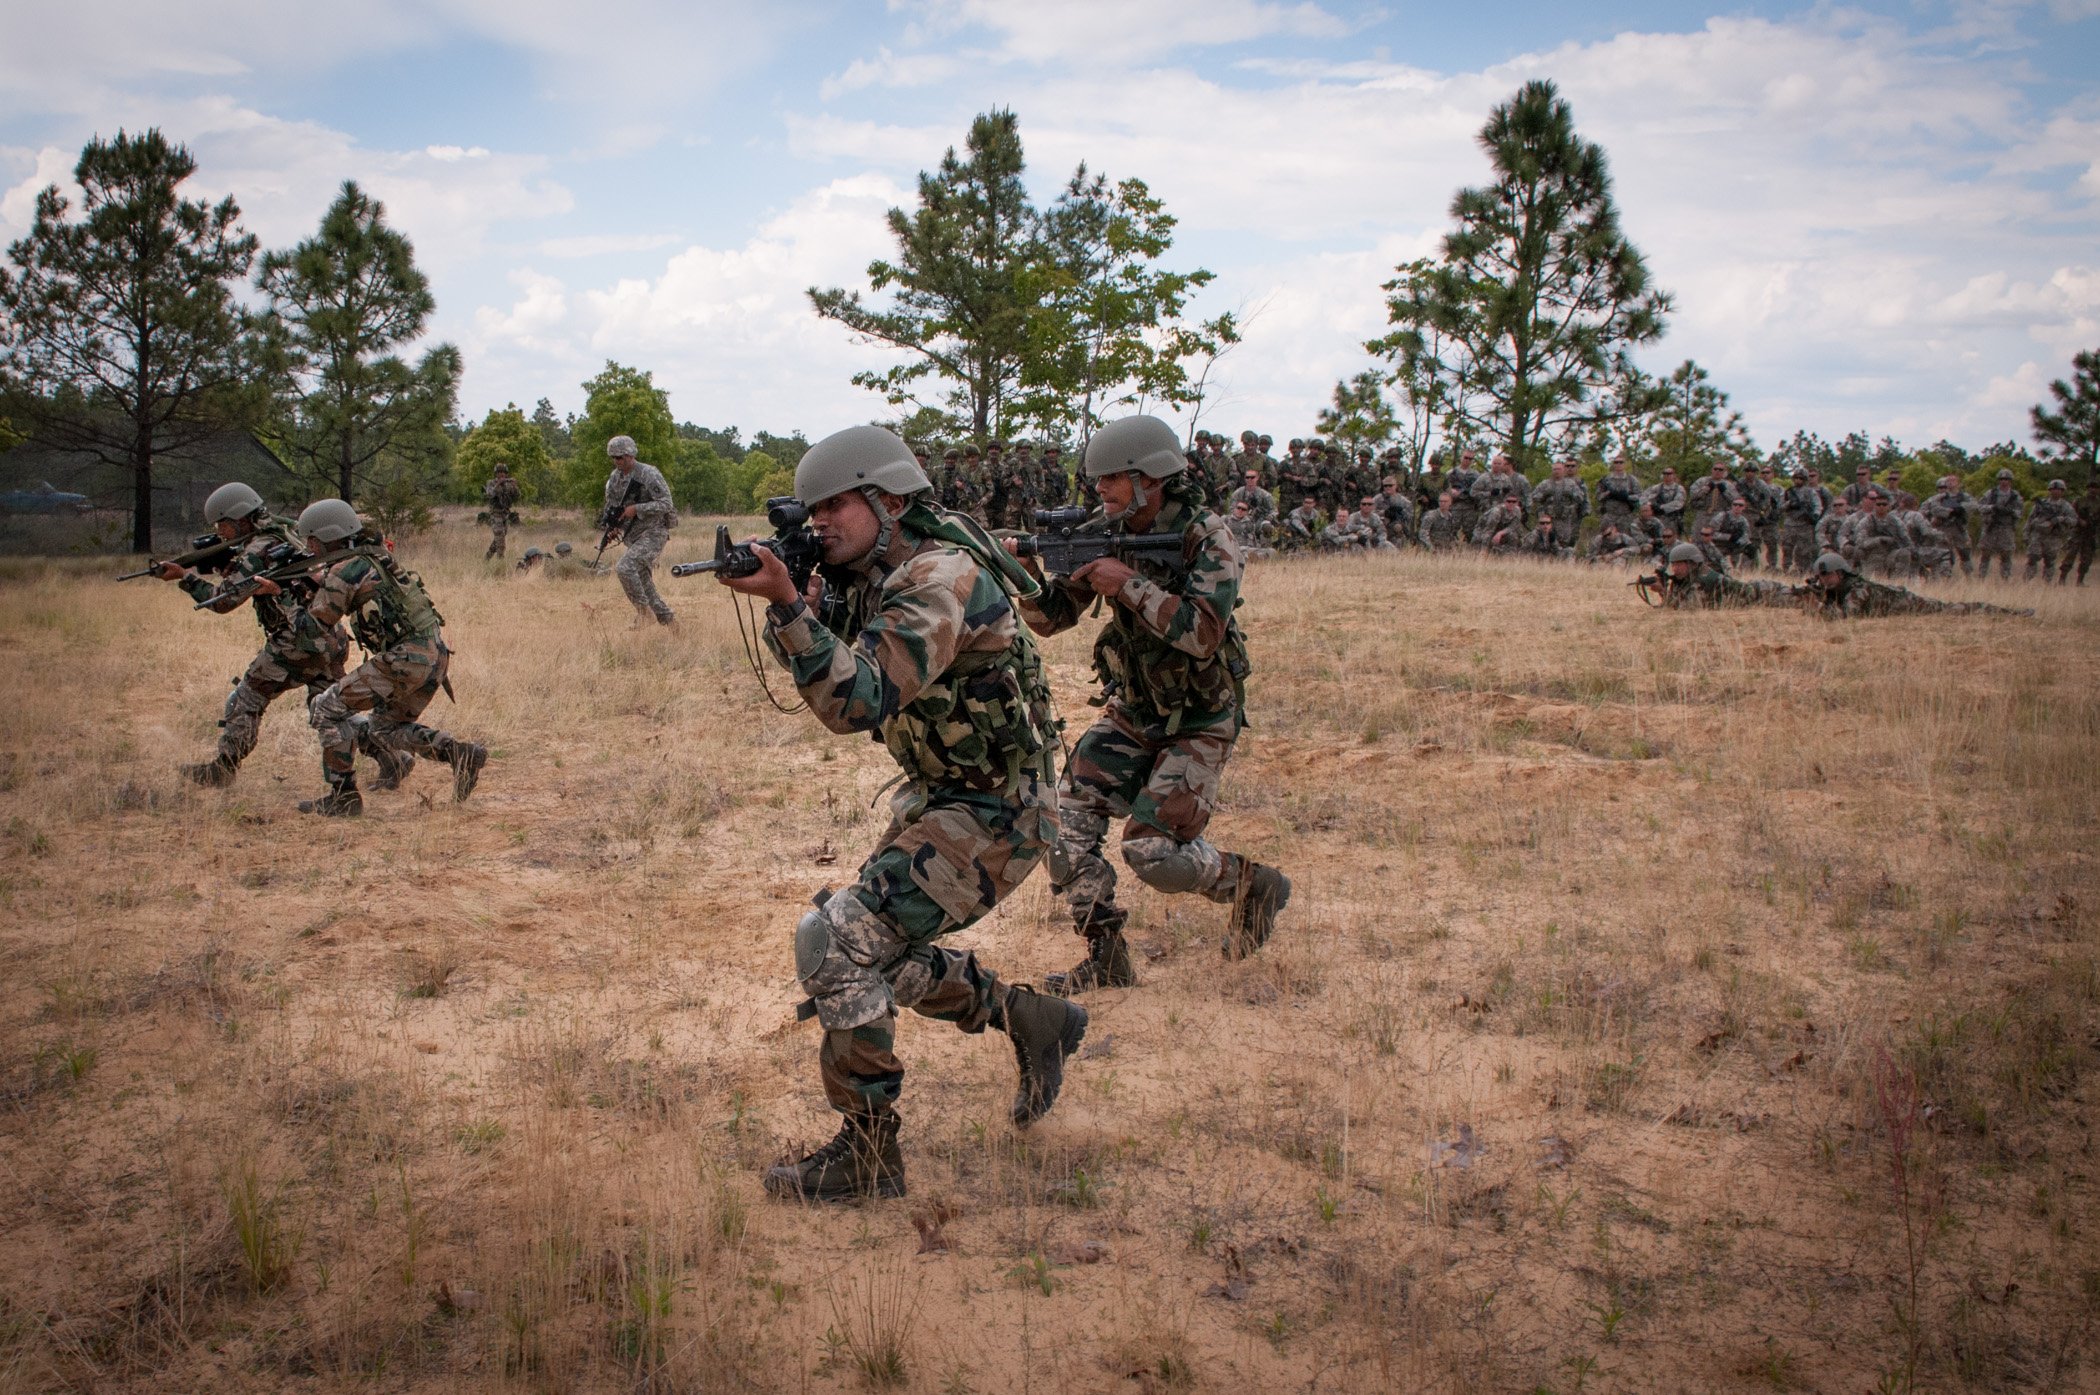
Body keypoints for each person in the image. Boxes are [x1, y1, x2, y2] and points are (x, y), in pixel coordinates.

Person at [713, 425, 1087, 1202]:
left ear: (888, 500)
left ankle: (870, 1156)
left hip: (1001, 807)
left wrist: (788, 606)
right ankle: (1028, 1018)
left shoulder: (936, 577)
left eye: (836, 505)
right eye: (812, 510)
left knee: (837, 939)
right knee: (871, 953)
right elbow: (833, 675)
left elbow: (856, 700)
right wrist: (806, 605)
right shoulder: (879, 570)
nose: (821, 524)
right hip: (949, 795)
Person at [1011, 415, 1289, 996]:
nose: (1099, 490)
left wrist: (1127, 584)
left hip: (1200, 717)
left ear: (1151, 479)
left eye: (1111, 479)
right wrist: (1027, 571)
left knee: (1153, 850)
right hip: (1134, 712)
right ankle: (1107, 957)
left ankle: (1250, 884)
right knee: (1060, 831)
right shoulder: (1101, 527)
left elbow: (1203, 635)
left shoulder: (1207, 537)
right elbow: (1051, 621)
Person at [158, 481, 379, 790]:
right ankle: (390, 756)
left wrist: (185, 578)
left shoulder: (256, 549)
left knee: (247, 697)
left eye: (223, 523)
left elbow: (223, 601)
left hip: (294, 641)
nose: (220, 531)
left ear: (239, 518)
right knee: (328, 706)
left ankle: (224, 767)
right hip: (327, 636)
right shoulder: (284, 533)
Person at [294, 499, 486, 817]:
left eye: (311, 541)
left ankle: (343, 797)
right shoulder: (374, 556)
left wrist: (288, 592)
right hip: (433, 655)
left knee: (325, 708)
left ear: (324, 537)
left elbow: (314, 630)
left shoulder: (345, 570)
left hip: (406, 659)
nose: (309, 547)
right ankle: (460, 754)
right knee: (385, 727)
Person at [1804, 552, 2030, 618]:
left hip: (1908, 604)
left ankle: (2012, 614)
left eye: (1827, 576)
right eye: (1821, 577)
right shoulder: (1837, 589)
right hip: (1900, 604)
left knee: (1956, 610)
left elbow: (1848, 616)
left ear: (1841, 573)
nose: (1823, 580)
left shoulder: (1857, 589)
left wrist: (1821, 606)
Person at [603, 435, 678, 626]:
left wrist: (637, 509)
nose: (616, 461)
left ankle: (643, 614)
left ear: (630, 455)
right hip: (633, 536)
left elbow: (666, 504)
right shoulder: (614, 479)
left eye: (620, 457)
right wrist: (613, 528)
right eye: (613, 458)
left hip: (654, 532)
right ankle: (672, 625)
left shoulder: (648, 474)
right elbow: (613, 508)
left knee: (624, 567)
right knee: (645, 584)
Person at [1646, 542, 1799, 609]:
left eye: (1679, 564)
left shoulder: (1703, 579)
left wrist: (1662, 590)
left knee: (1801, 599)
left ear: (1692, 563)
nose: (1675, 568)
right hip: (1756, 592)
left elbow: (1688, 607)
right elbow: (1678, 600)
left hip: (1763, 594)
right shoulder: (1691, 577)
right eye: (1673, 565)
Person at [1920, 475, 1977, 576]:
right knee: (1944, 555)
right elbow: (1932, 509)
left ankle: (1969, 577)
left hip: (1959, 529)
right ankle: (1945, 577)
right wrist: (1949, 512)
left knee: (1965, 554)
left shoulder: (1963, 496)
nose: (1943, 489)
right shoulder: (1937, 498)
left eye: (1944, 487)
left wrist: (1960, 508)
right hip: (1943, 529)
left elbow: (1974, 505)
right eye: (1940, 487)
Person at [2024, 479, 2077, 582]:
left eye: (2059, 490)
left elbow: (2074, 521)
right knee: (2033, 556)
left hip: (2054, 537)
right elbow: (2030, 520)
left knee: (2050, 561)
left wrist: (2060, 519)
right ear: (2050, 490)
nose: (2056, 491)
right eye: (2054, 489)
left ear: (2062, 491)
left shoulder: (2066, 506)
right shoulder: (2041, 504)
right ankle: (2027, 580)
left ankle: (2047, 582)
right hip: (2038, 535)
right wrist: (2026, 534)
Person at [2062, 479, 2099, 586]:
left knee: (2086, 559)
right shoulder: (2079, 500)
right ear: (2087, 489)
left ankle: (2080, 581)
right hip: (2077, 532)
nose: (2093, 490)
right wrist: (2079, 520)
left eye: (2095, 488)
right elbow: (2071, 512)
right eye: (2090, 487)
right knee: (2070, 555)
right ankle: (2062, 579)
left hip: (2090, 534)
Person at [482, 464, 521, 559]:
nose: (501, 474)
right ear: (496, 474)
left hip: (505, 514)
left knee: (499, 538)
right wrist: (498, 484)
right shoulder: (491, 483)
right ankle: (500, 561)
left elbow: (517, 496)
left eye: (503, 472)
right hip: (495, 513)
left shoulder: (509, 484)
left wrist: (515, 486)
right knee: (500, 538)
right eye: (499, 472)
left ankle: (487, 557)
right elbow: (490, 494)